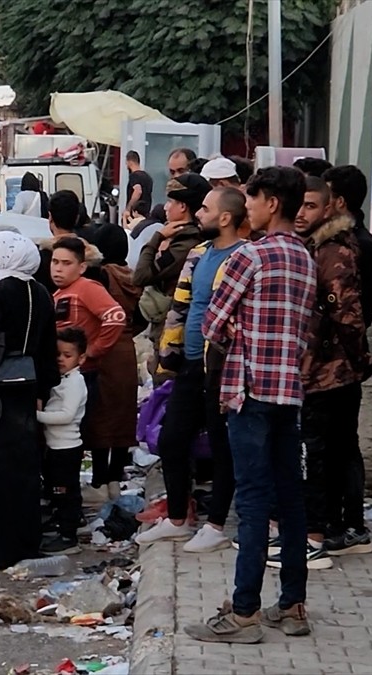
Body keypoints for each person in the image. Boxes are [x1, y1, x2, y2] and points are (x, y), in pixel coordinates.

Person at [186, 166, 316, 643]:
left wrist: (238, 329)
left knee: (254, 499)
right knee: (291, 498)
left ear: (272, 203)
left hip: (249, 391)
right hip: (288, 392)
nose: (250, 208)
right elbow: (306, 326)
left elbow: (212, 323)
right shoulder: (305, 257)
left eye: (254, 200)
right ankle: (293, 604)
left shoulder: (250, 255)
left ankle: (244, 611)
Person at [141, 188, 248, 551]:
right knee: (171, 439)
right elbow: (181, 306)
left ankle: (215, 525)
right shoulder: (199, 253)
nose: (198, 214)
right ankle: (177, 519)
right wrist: (168, 356)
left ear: (225, 217)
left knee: (221, 445)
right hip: (188, 364)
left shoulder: (244, 257)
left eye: (205, 208)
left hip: (222, 366)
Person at [279, 175, 372, 568]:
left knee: (322, 453)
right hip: (320, 368)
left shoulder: (334, 251)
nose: (302, 213)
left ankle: (328, 531)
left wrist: (359, 360)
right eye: (299, 205)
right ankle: (336, 526)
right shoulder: (312, 246)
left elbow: (348, 317)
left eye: (311, 206)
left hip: (331, 371)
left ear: (330, 206)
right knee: (331, 451)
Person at [0, 231, 60, 569]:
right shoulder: (41, 292)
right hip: (28, 384)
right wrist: (43, 391)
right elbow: (49, 348)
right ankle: (24, 543)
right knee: (23, 467)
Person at [49, 236, 127, 509]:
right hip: (66, 375)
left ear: (81, 267)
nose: (58, 268)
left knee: (73, 439)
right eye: (55, 262)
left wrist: (94, 350)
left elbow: (115, 316)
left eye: (66, 263)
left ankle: (71, 505)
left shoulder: (86, 288)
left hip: (84, 375)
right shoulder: (61, 293)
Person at [86, 224, 143, 506]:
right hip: (126, 350)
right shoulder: (133, 276)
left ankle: (99, 479)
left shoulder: (102, 275)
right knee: (123, 414)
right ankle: (115, 477)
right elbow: (141, 316)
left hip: (104, 347)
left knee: (101, 415)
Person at [133, 174, 211, 374]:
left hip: (173, 332)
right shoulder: (182, 238)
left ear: (183, 206)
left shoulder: (186, 243)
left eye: (170, 202)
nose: (166, 207)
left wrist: (156, 238)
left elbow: (141, 275)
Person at [37, 327, 88, 556]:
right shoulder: (63, 379)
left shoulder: (75, 382)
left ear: (81, 358)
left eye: (67, 355)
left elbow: (66, 415)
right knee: (56, 490)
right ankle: (60, 523)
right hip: (55, 446)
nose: (60, 359)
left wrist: (37, 416)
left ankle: (68, 536)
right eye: (57, 354)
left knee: (65, 492)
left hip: (66, 448)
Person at [322, 165, 372, 329]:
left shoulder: (361, 244)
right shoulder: (327, 239)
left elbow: (360, 310)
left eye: (326, 197)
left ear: (340, 202)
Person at [124, 151, 153, 220]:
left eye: (126, 162)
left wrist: (128, 208)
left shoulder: (134, 176)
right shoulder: (148, 177)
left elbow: (138, 191)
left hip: (135, 214)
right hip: (146, 214)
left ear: (129, 162)